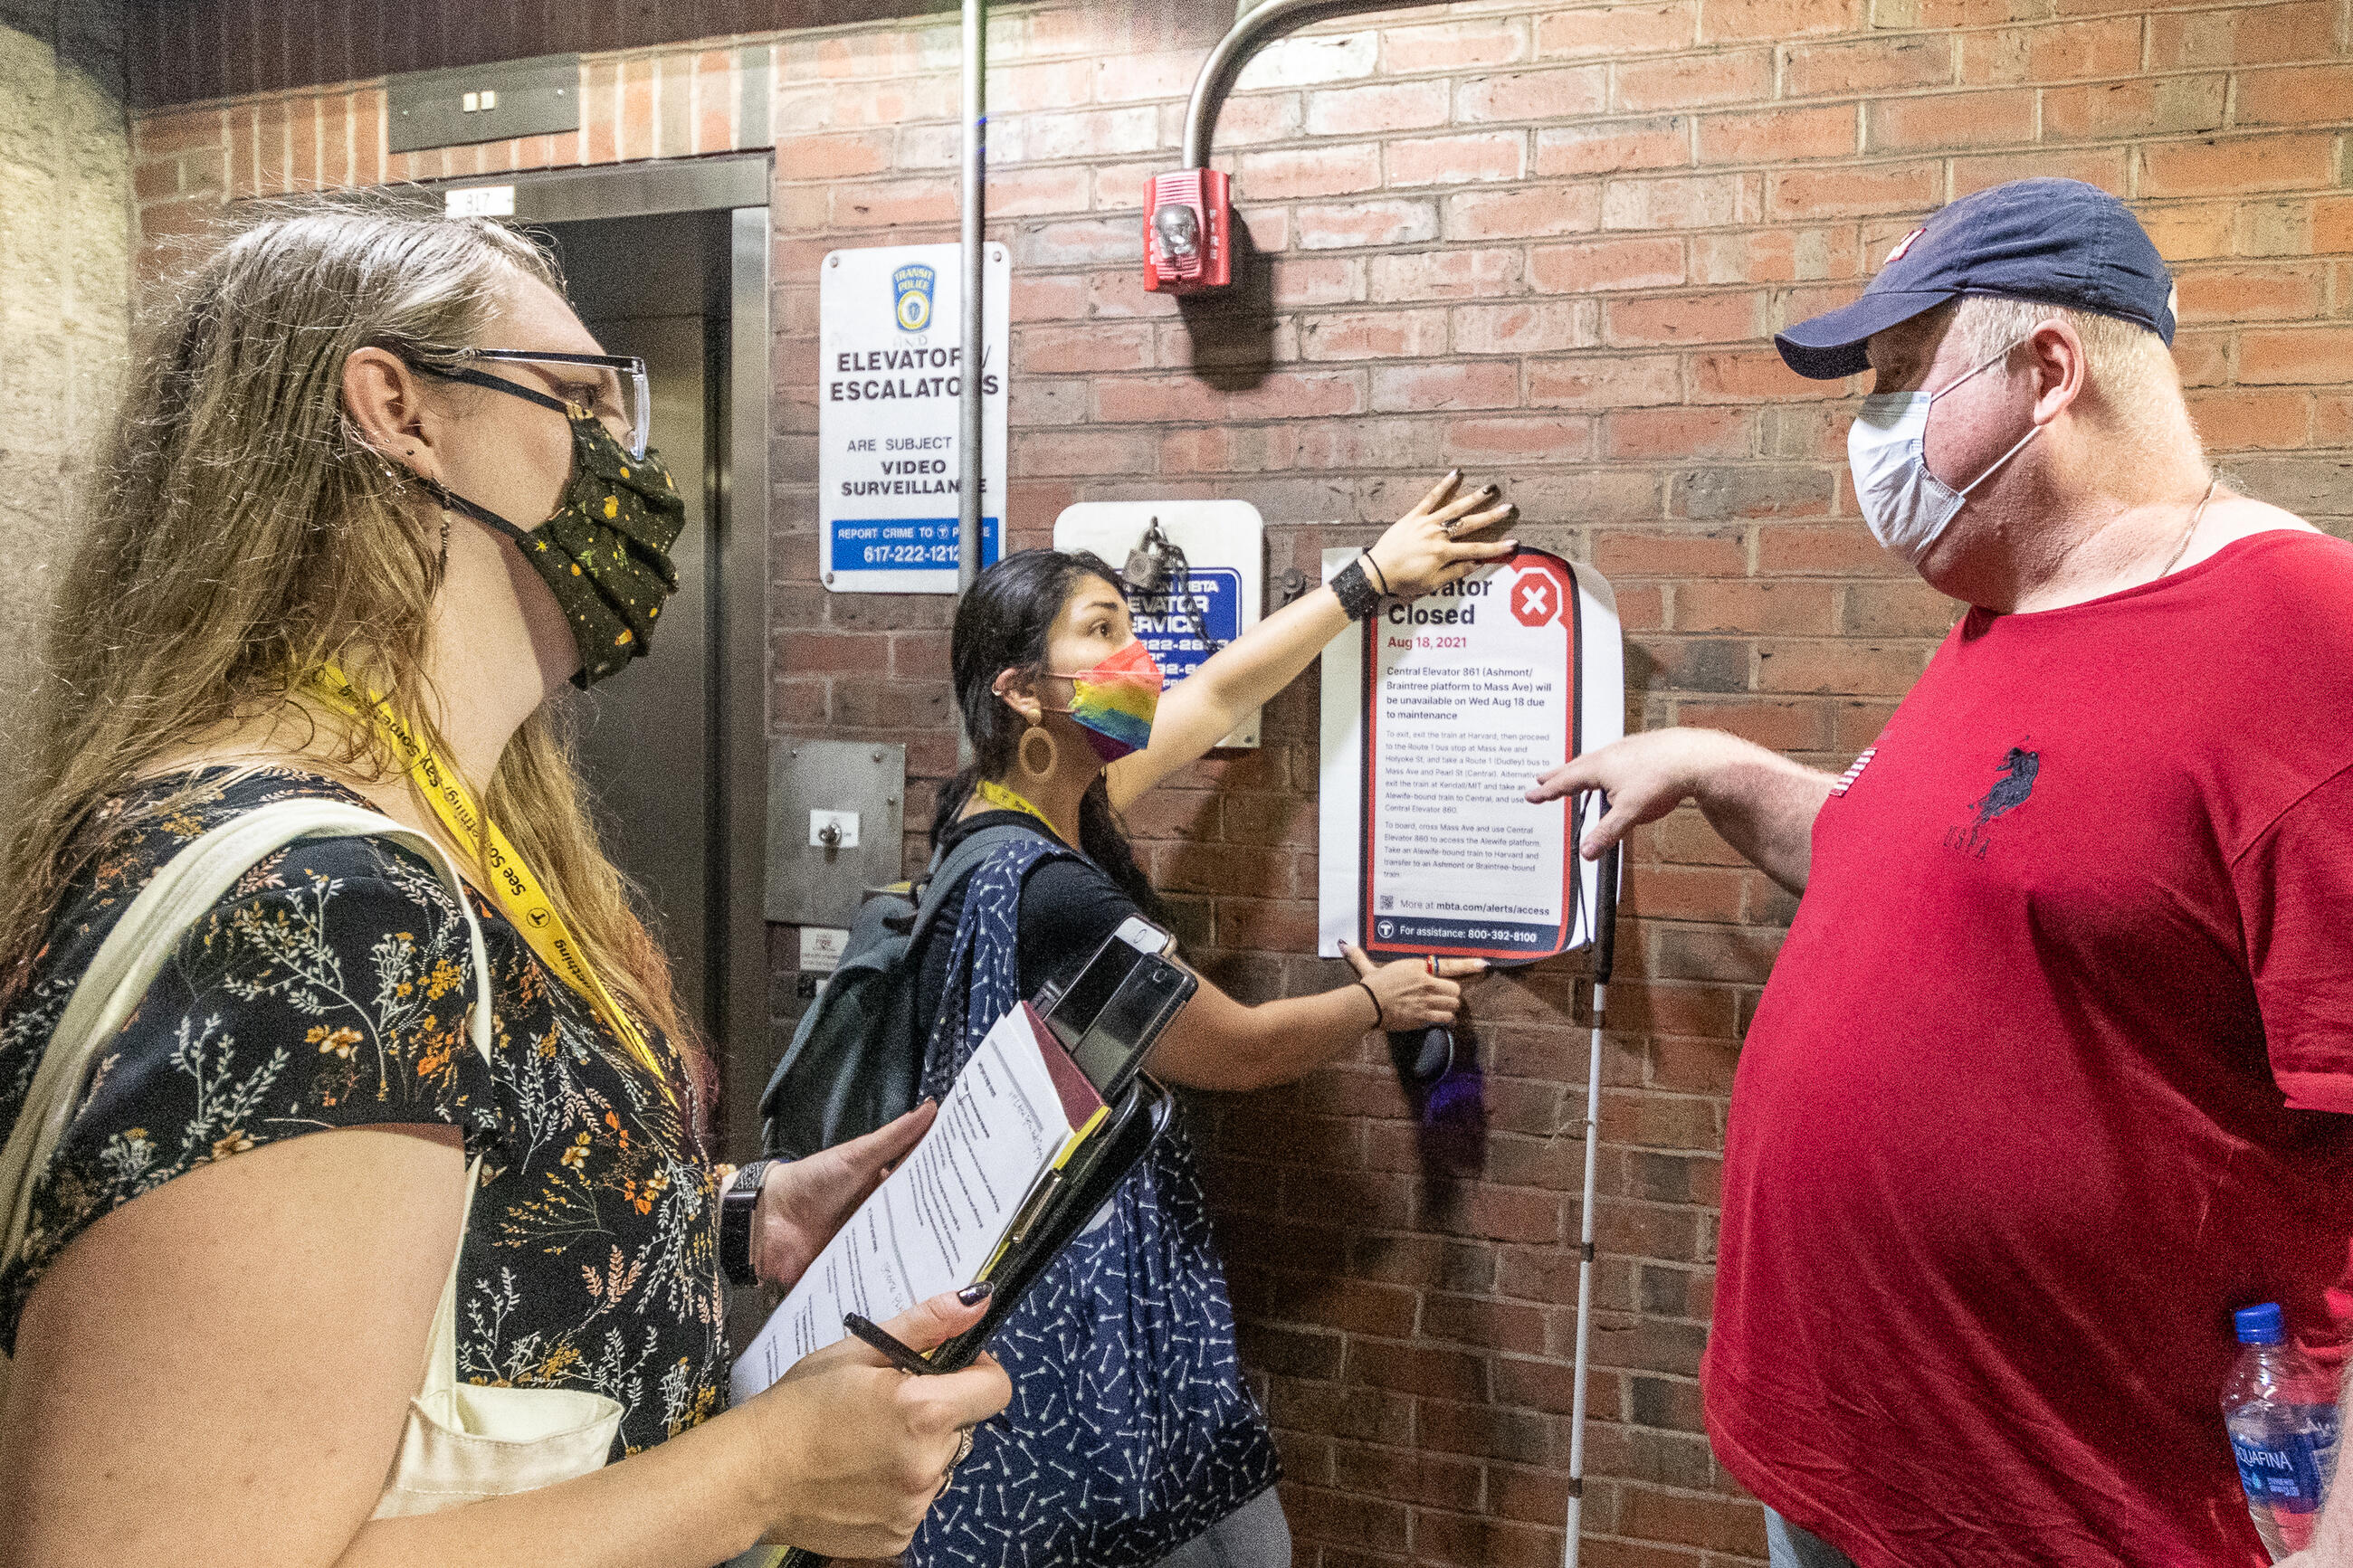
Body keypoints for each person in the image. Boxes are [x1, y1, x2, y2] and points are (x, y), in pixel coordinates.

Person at [0, 203, 1007, 1566]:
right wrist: (763, 1476)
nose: (629, 463)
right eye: (580, 397)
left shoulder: (375, 823)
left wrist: (731, 1215)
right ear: (397, 408)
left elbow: (405, 1205)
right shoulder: (326, 904)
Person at [1531, 176, 2353, 1567]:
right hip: (1849, 1469)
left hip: (2069, 1515)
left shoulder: (2306, 642)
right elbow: (1926, 869)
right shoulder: (2005, 616)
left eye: (1908, 373)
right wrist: (1722, 768)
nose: (1874, 430)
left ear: (2048, 371)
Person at [894, 478, 1515, 1566]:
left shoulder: (1014, 809)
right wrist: (1381, 999)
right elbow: (1230, 1046)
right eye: (1102, 633)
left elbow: (1227, 687)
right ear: (1022, 690)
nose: (1139, 658)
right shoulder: (1054, 888)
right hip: (1084, 1296)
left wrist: (1369, 578)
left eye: (1132, 628)